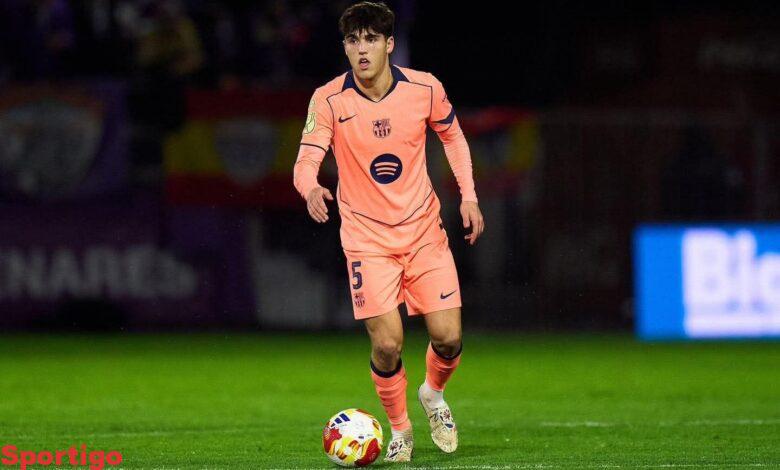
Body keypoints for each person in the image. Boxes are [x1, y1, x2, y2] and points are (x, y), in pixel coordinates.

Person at [293, 1, 484, 463]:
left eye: (371, 39)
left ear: (389, 44)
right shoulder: (328, 99)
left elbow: (453, 137)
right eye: (353, 40)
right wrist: (310, 188)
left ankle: (433, 395)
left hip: (423, 232)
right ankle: (400, 430)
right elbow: (305, 161)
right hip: (367, 240)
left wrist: (469, 195)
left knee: (448, 338)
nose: (362, 50)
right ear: (344, 47)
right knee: (386, 343)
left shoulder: (425, 88)